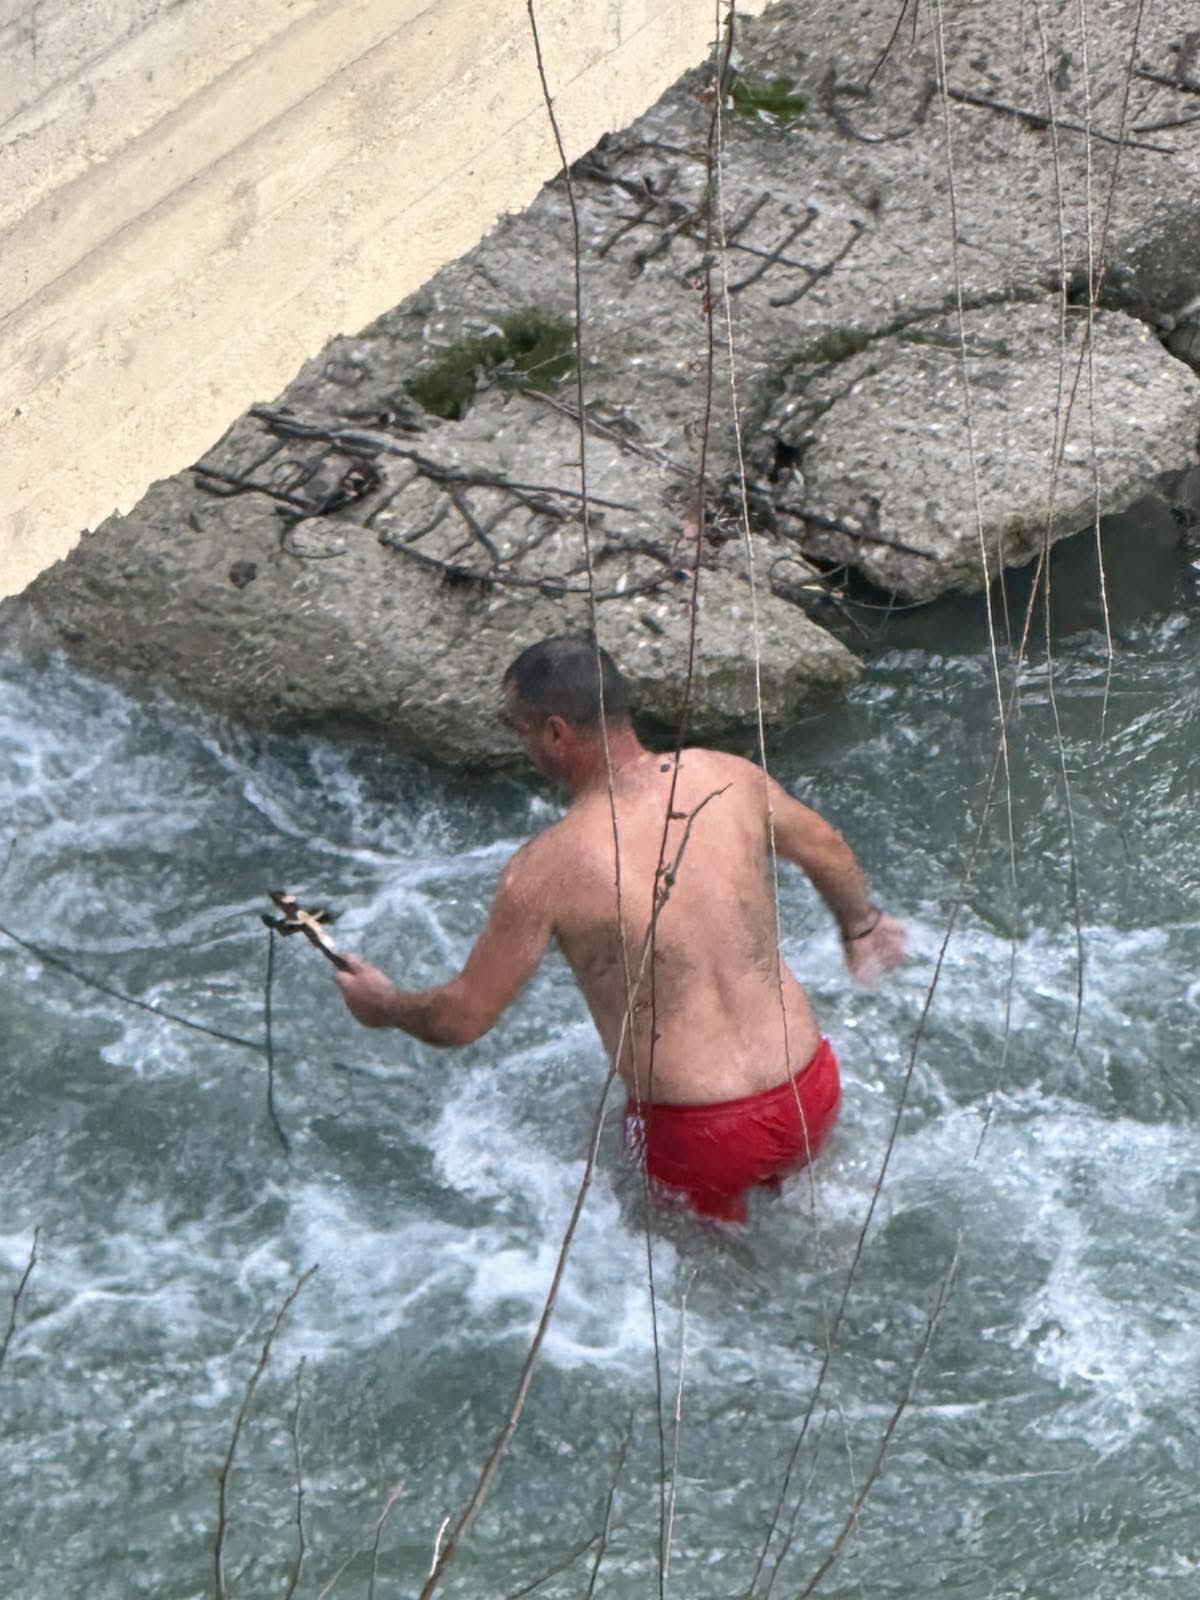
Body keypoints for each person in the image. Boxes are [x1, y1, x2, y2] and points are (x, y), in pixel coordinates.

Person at [334, 635, 906, 1222]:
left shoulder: (546, 869)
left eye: (517, 728)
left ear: (556, 732)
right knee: (822, 1227)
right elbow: (826, 846)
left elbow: (462, 1018)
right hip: (809, 1088)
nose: (519, 744)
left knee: (687, 1270)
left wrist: (385, 1006)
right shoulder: (727, 776)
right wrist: (859, 927)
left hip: (700, 1134)